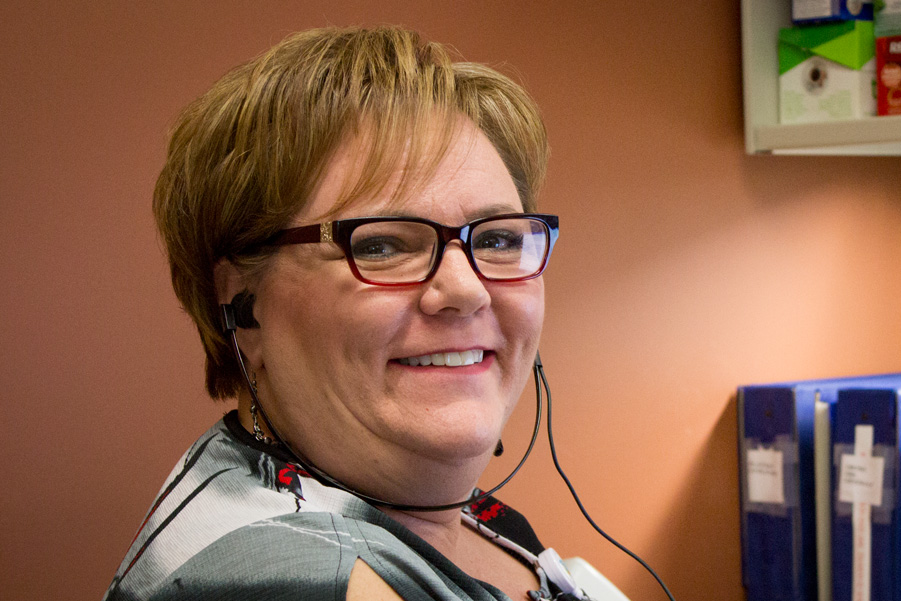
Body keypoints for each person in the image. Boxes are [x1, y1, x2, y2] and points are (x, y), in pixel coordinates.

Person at [104, 25, 566, 601]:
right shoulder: (300, 582)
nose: (466, 290)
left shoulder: (430, 509)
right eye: (382, 245)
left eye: (495, 239)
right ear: (241, 303)